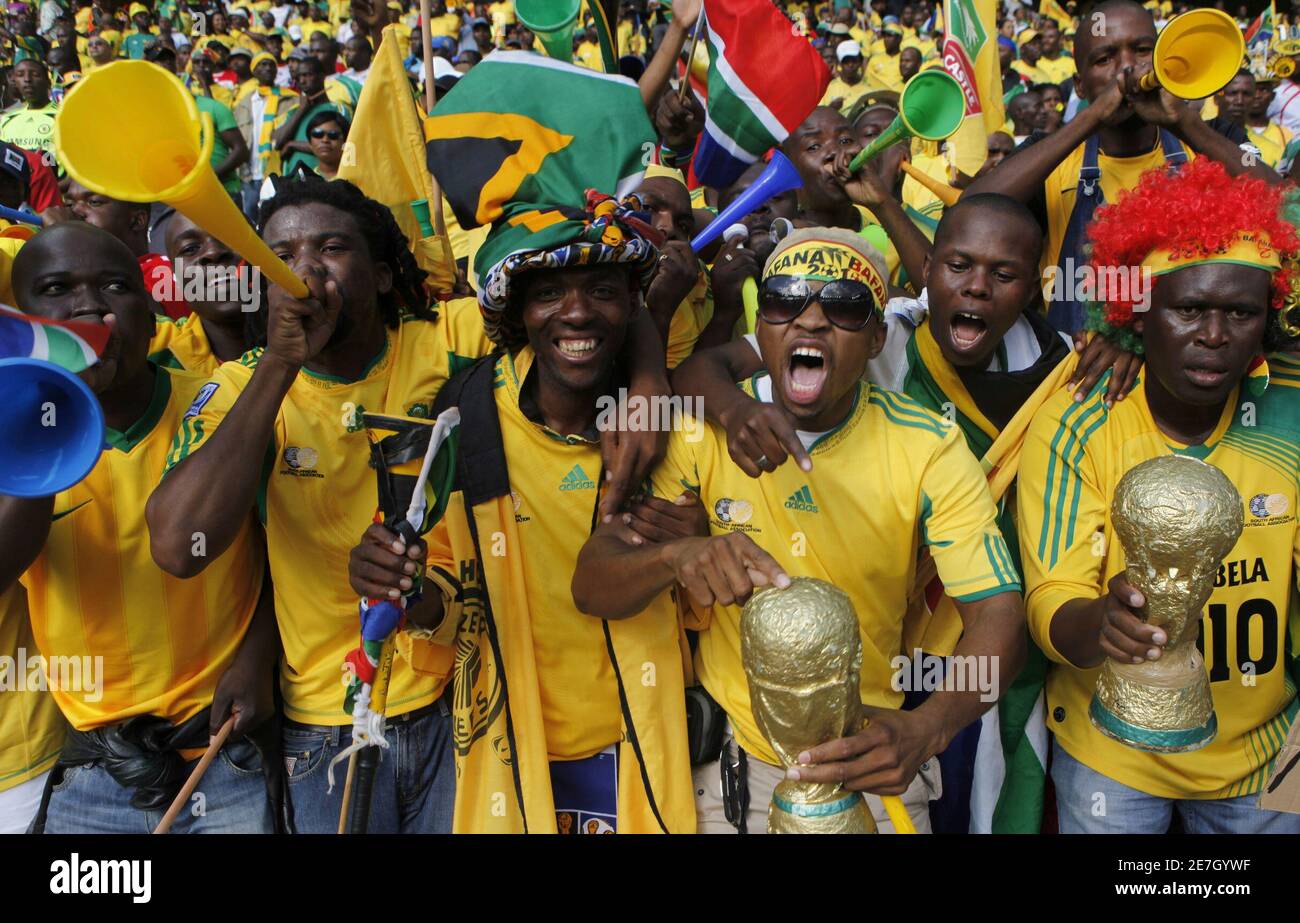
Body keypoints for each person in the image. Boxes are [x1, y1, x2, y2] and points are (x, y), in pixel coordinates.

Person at [572, 226, 1027, 834]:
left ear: (875, 339)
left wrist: (930, 725)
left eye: (842, 306)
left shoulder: (928, 447)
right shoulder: (700, 432)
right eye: (786, 299)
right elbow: (591, 582)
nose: (811, 321)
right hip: (732, 777)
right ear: (761, 331)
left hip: (870, 771)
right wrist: (677, 557)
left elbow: (999, 613)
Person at [350, 192, 695, 833]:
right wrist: (406, 587)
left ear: (629, 307)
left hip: (641, 749)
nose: (577, 314)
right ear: (517, 313)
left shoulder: (672, 423)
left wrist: (695, 543)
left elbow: (705, 603)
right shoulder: (460, 419)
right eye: (549, 295)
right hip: (510, 755)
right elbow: (447, 609)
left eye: (601, 290)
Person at [1018, 158, 1300, 834]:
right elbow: (1050, 597)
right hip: (1111, 749)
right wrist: (1098, 622)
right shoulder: (1077, 419)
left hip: (1273, 748)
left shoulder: (1290, 404)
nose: (1212, 335)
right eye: (1188, 309)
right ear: (1138, 314)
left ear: (1267, 320)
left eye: (1239, 312)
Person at [0, 222, 276, 834]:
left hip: (221, 750)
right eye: (57, 289)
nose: (90, 306)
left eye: (115, 287)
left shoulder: (219, 403)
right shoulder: (9, 430)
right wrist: (54, 414)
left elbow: (281, 551)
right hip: (95, 764)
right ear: (24, 322)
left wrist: (258, 658)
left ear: (153, 319)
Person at [967, 0, 1278, 336]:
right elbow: (970, 213)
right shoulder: (1051, 155)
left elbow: (1285, 206)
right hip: (1073, 364)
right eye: (1105, 58)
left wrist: (1184, 124)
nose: (1127, 69)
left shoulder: (1211, 138)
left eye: (1142, 51)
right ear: (1080, 85)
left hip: (1182, 360)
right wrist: (1090, 119)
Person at [149, 209, 263, 374]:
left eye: (230, 236)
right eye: (190, 249)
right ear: (175, 276)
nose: (213, 252)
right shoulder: (162, 368)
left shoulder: (310, 339)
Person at [272, 54, 351, 176]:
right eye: (298, 78)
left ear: (322, 76)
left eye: (307, 75)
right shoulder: (293, 112)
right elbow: (277, 143)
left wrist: (293, 145)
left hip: (325, 182)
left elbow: (348, 148)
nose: (302, 81)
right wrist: (301, 110)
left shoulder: (339, 110)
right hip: (293, 183)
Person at [234, 51, 288, 219]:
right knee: (249, 220)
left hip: (276, 170)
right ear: (254, 71)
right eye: (262, 64)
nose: (268, 68)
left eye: (271, 64)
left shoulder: (289, 99)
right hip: (249, 173)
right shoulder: (243, 104)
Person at [0, 56, 56, 165]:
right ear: (15, 82)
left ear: (48, 82)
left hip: (53, 180)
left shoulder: (64, 116)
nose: (27, 80)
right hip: (17, 181)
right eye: (20, 75)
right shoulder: (6, 120)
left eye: (35, 74)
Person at [1245, 72, 1294, 171]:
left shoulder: (1286, 135)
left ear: (1273, 95)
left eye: (1263, 89)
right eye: (1252, 90)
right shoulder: (1231, 131)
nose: (1257, 95)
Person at [821, 40, 870, 112]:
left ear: (860, 62)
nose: (850, 65)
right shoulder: (829, 88)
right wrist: (831, 108)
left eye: (854, 60)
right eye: (846, 61)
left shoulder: (869, 89)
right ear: (839, 64)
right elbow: (820, 117)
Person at [865, 21, 903, 93]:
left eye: (890, 36)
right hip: (878, 100)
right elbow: (867, 81)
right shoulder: (874, 59)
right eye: (885, 36)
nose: (886, 39)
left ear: (899, 39)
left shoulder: (904, 60)